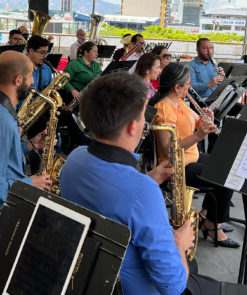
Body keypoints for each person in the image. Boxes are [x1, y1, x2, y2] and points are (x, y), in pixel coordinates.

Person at [60, 71, 221, 295]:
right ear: (132, 127)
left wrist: (148, 179)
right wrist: (179, 243)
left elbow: (109, 195)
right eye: (144, 115)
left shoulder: (74, 159)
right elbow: (173, 285)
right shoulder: (142, 193)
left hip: (89, 277)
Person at [152, 63, 239, 248]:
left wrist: (207, 119)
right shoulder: (164, 109)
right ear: (177, 87)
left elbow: (198, 121)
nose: (190, 87)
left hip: (193, 156)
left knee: (229, 166)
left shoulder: (180, 101)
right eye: (188, 84)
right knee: (225, 178)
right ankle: (213, 225)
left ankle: (207, 216)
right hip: (178, 166)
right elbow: (170, 149)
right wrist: (199, 135)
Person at [0, 51, 52, 232]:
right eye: (30, 77)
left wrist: (30, 145)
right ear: (18, 80)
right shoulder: (1, 122)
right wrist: (30, 183)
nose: (33, 83)